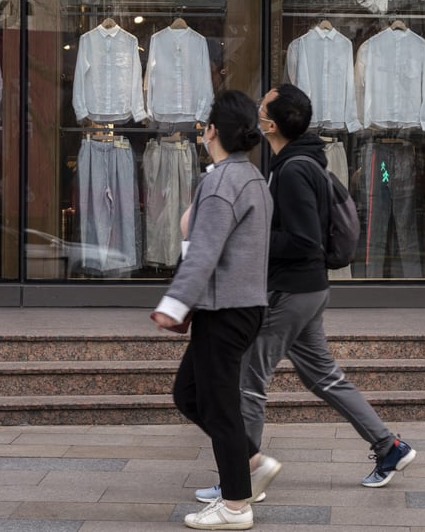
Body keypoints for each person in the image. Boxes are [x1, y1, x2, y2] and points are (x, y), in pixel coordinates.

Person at [194, 84, 415, 505]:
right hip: (308, 289)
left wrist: (248, 237)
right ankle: (390, 447)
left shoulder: (293, 170)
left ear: (271, 125)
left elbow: (302, 240)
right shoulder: (299, 161)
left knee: (249, 380)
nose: (255, 115)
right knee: (323, 376)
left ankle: (240, 480)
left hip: (293, 290)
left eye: (260, 110)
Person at [151, 90, 277, 531]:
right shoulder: (251, 179)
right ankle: (253, 462)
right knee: (189, 394)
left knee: (219, 406)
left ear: (211, 132)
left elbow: (203, 252)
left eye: (205, 127)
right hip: (239, 307)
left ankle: (236, 505)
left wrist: (172, 304)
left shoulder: (223, 181)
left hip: (225, 309)